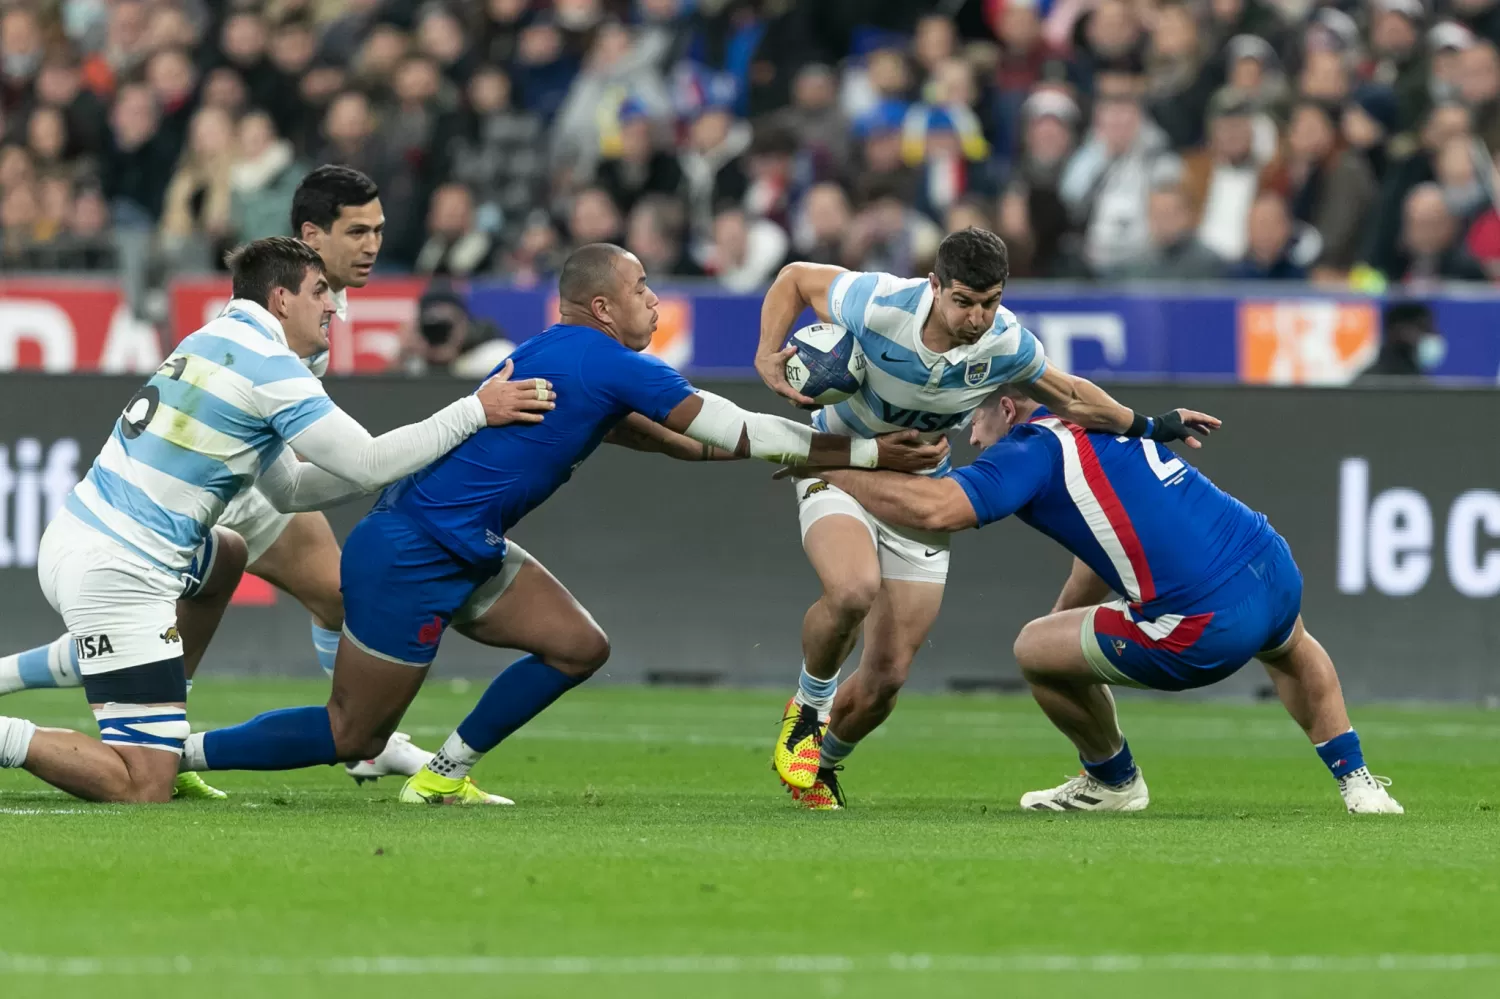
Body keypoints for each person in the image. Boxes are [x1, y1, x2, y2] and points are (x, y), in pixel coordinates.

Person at [172, 244, 948, 805]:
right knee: (353, 735)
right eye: (642, 287)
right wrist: (873, 451)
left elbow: (671, 439)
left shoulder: (564, 355)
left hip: (462, 541)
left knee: (579, 646)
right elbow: (732, 425)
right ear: (603, 306)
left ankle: (445, 771)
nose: (653, 299)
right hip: (410, 549)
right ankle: (178, 748)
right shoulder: (605, 359)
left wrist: (799, 458)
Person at [0, 237, 553, 803]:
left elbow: (288, 490)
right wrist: (474, 411)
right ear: (281, 298)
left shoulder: (215, 339)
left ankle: (159, 712)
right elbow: (363, 462)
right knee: (143, 785)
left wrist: (405, 467)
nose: (332, 306)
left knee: (228, 555)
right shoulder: (269, 367)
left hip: (83, 534)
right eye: (319, 292)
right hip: (118, 572)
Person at [754, 228, 1219, 809]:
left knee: (887, 678)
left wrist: (1150, 425)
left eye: (990, 302)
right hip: (840, 464)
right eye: (964, 302)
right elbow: (794, 277)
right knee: (852, 590)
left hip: (920, 488)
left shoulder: (1006, 343)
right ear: (934, 287)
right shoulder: (877, 301)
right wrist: (766, 355)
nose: (978, 317)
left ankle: (819, 769)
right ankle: (809, 707)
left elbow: (1070, 395)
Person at [794, 386, 1404, 816]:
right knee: (1292, 647)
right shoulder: (1100, 420)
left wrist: (827, 465)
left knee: (1034, 649)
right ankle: (1360, 785)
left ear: (1007, 407)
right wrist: (1068, 626)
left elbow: (932, 508)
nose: (967, 433)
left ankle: (1112, 782)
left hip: (1200, 626)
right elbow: (1102, 547)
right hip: (1270, 564)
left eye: (972, 417)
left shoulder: (1029, 448)